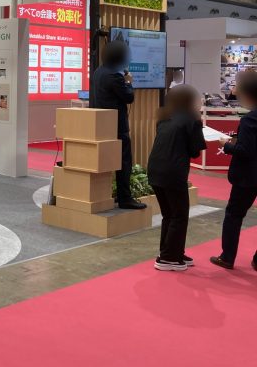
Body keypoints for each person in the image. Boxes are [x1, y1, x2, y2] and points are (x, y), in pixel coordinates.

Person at [147, 85, 206, 271]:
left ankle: (171, 252)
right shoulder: (191, 120)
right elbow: (195, 152)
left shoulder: (164, 118)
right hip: (173, 172)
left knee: (169, 214)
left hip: (155, 170)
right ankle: (169, 258)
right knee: (179, 215)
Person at [211, 72, 257, 271]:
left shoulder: (249, 120)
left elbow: (245, 151)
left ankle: (227, 257)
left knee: (234, 215)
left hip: (247, 177)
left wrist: (227, 145)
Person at [93, 41, 146, 210]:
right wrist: (129, 82)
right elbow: (129, 97)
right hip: (117, 126)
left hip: (103, 125)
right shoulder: (115, 76)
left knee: (112, 162)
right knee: (124, 163)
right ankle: (125, 198)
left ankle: (117, 195)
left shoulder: (99, 72)